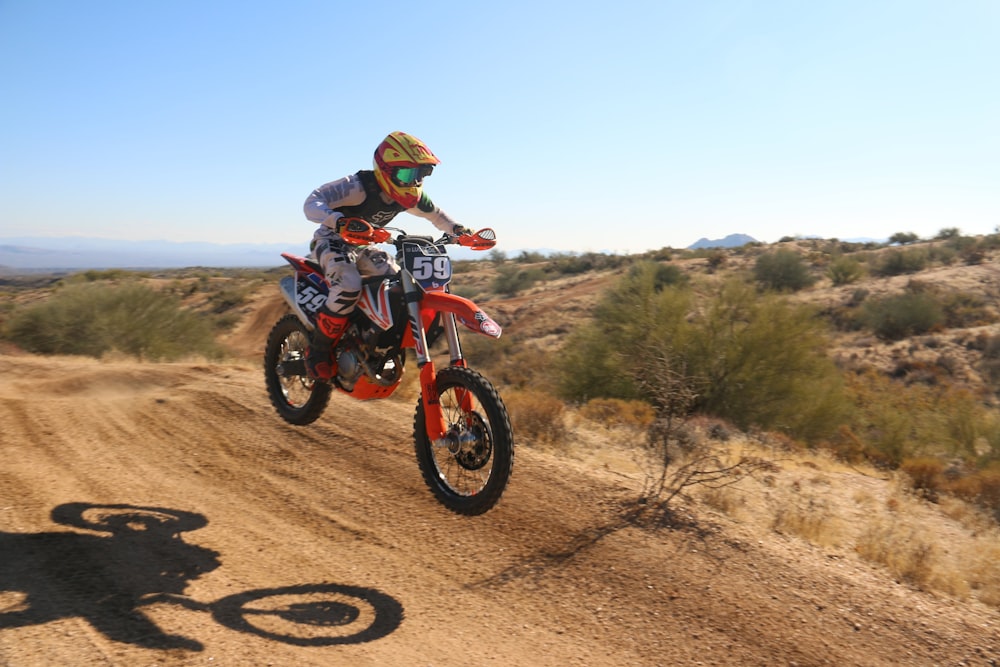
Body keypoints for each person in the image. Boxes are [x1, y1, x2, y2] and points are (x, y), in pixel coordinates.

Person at [302, 131, 469, 380]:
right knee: (348, 284)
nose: (414, 182)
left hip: (364, 246)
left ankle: (370, 338)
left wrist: (460, 231)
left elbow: (437, 216)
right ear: (385, 169)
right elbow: (312, 201)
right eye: (407, 174)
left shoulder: (409, 195)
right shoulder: (357, 186)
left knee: (396, 283)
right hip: (332, 240)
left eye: (420, 174)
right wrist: (338, 221)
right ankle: (318, 351)